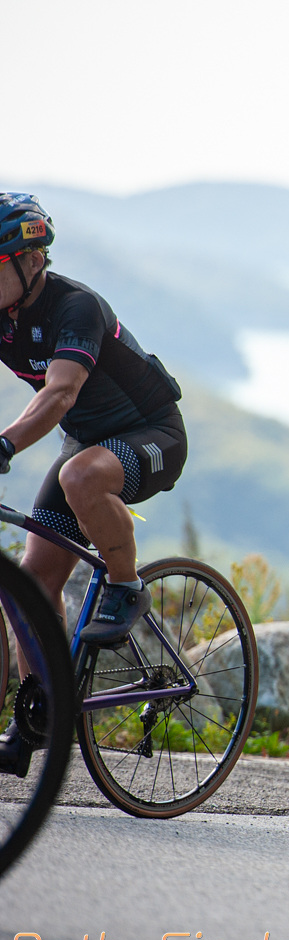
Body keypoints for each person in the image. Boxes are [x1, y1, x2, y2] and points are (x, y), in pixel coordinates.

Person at [0, 193, 188, 777]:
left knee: (79, 475)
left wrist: (5, 445)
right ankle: (39, 712)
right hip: (85, 445)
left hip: (152, 434)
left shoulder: (75, 307)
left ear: (31, 260)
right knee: (33, 582)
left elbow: (60, 394)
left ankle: (126, 585)